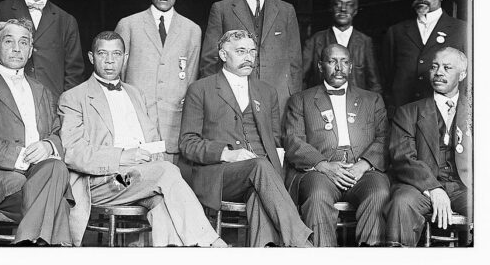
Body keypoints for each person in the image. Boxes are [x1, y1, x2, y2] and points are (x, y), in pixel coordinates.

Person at [58, 31, 226, 247]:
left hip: (140, 178)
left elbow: (154, 141)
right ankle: (210, 242)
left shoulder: (136, 94)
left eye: (116, 54)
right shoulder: (73, 97)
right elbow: (73, 153)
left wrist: (150, 160)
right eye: (102, 54)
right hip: (104, 184)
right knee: (166, 171)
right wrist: (123, 156)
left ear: (125, 58)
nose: (110, 61)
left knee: (163, 201)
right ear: (91, 57)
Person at [179, 30, 312, 247]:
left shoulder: (267, 92)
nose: (249, 57)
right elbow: (187, 143)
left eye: (252, 51)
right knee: (260, 166)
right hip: (220, 174)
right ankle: (302, 244)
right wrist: (227, 154)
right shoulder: (200, 89)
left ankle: (264, 250)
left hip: (261, 177)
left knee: (259, 195)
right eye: (240, 51)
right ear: (223, 55)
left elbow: (275, 141)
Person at [0, 18, 73, 246]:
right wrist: (20, 156)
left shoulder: (44, 92)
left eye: (23, 43)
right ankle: (47, 247)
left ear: (31, 50)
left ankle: (26, 245)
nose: (16, 48)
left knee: (56, 166)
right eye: (9, 41)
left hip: (42, 172)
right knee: (54, 195)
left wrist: (49, 145)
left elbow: (58, 131)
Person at [284, 44, 389, 246]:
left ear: (351, 67)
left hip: (363, 170)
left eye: (344, 62)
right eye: (332, 61)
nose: (339, 68)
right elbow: (293, 140)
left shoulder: (372, 99)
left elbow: (384, 138)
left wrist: (363, 165)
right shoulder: (300, 100)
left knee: (379, 192)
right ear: (320, 66)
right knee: (317, 195)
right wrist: (323, 165)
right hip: (321, 172)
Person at [200, 0, 302, 115]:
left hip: (278, 99)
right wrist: (213, 99)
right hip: (232, 99)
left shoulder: (286, 10)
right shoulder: (222, 9)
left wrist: (294, 101)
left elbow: (295, 64)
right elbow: (210, 60)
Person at [385, 47, 472, 247]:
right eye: (434, 66)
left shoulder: (477, 111)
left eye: (447, 67)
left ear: (462, 74)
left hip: (464, 187)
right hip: (419, 186)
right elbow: (403, 158)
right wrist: (433, 188)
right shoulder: (408, 112)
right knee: (401, 203)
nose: (439, 72)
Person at [115, 0, 201, 162]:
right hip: (138, 123)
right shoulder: (129, 24)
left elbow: (191, 80)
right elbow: (117, 78)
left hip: (174, 126)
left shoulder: (192, 30)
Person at [382, 0, 467, 117]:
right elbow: (387, 76)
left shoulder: (462, 30)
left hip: (443, 115)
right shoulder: (396, 31)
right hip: (403, 115)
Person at [302, 0, 382, 93]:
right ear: (331, 8)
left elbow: (374, 83)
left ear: (355, 10)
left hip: (356, 106)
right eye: (338, 4)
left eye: (349, 5)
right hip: (321, 104)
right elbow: (301, 78)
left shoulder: (365, 42)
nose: (343, 9)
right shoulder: (315, 40)